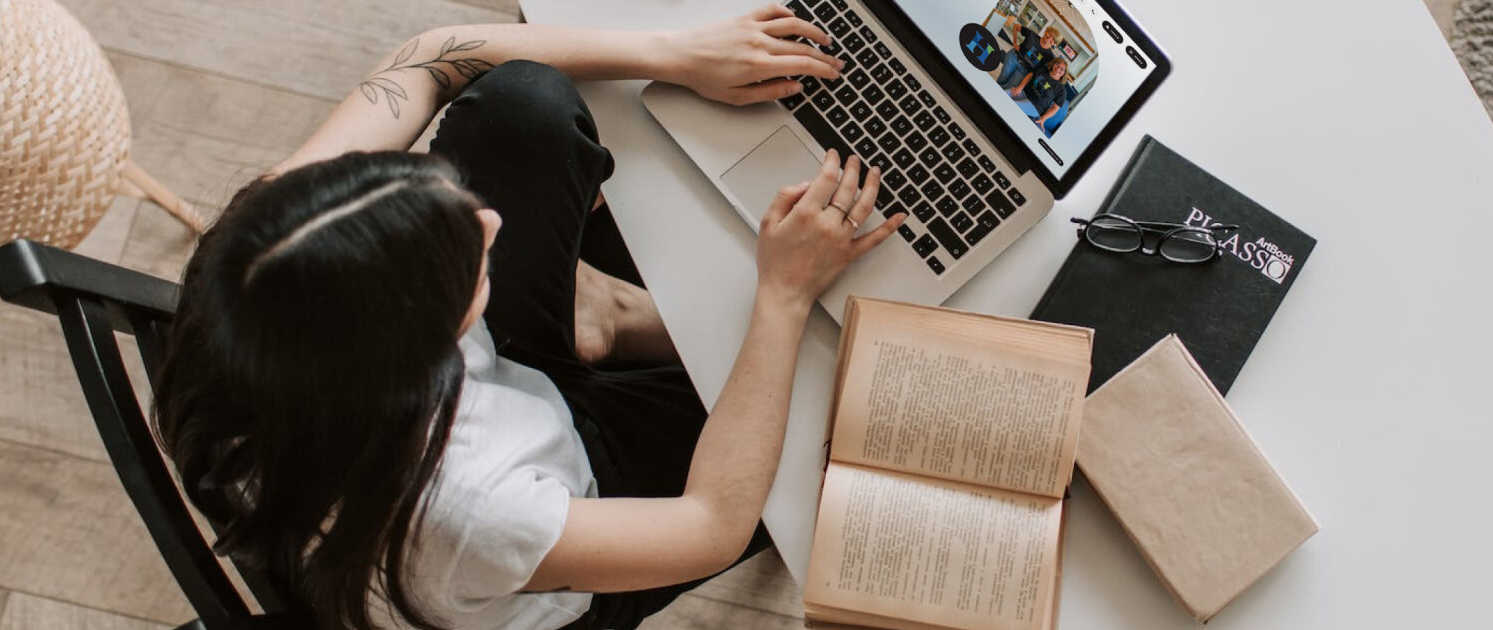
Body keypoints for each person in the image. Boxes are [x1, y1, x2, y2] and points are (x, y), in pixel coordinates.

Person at [149, 5, 906, 630]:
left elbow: (426, 59)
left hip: (475, 409)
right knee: (840, 417)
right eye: (465, 258)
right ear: (423, 356)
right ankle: (613, 319)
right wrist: (780, 296)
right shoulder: (474, 510)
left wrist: (674, 54)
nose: (486, 220)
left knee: (521, 106)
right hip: (578, 503)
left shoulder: (271, 247)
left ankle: (600, 315)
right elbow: (711, 525)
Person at [1010, 57, 1070, 135]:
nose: (1058, 69)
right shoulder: (1043, 69)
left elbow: (1055, 108)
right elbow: (1030, 76)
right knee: (1004, 94)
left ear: (1064, 73)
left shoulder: (1061, 90)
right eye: (1057, 65)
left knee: (1012, 105)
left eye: (1062, 69)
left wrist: (1043, 118)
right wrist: (1020, 88)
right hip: (1024, 93)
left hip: (1035, 106)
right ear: (1053, 64)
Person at [996, 22, 1062, 90]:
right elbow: (1016, 26)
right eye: (1049, 34)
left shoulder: (1050, 56)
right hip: (1014, 58)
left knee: (1009, 88)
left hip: (1024, 71)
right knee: (1002, 79)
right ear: (1045, 31)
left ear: (1054, 43)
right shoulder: (1032, 35)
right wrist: (1015, 43)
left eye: (1053, 39)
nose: (1050, 38)